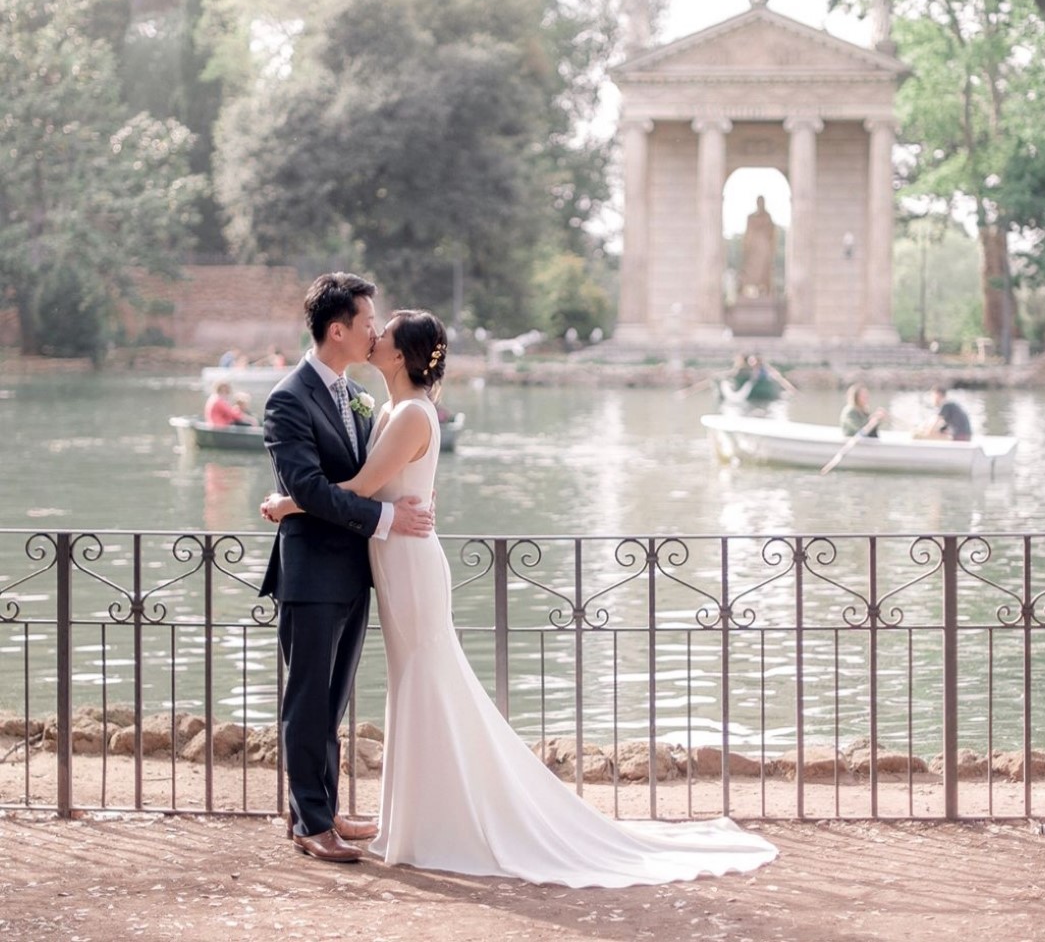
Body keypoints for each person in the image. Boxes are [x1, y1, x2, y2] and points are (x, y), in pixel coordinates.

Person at [262, 309, 777, 886]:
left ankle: (438, 819)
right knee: (408, 683)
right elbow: (378, 481)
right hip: (385, 559)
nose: (375, 334)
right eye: (370, 323)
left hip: (408, 563)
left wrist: (288, 504)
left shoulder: (407, 413)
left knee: (426, 679)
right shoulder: (381, 407)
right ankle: (387, 815)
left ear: (401, 355)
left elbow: (359, 486)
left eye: (384, 330)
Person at [258, 273, 434, 864]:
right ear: (338, 330)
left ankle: (322, 810)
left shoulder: (355, 395)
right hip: (311, 575)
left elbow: (366, 475)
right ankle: (311, 825)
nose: (374, 331)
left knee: (332, 702)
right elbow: (310, 486)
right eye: (367, 322)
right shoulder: (288, 398)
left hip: (356, 571)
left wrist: (401, 501)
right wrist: (386, 518)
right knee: (308, 702)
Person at [738, 195, 777, 298]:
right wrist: (746, 246)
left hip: (764, 247)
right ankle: (749, 290)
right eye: (759, 202)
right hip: (754, 248)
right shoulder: (751, 217)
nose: (760, 204)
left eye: (762, 202)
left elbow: (772, 233)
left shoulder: (767, 217)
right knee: (751, 270)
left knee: (764, 270)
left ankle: (764, 289)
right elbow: (748, 234)